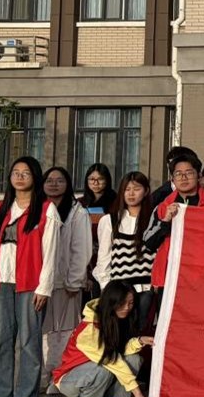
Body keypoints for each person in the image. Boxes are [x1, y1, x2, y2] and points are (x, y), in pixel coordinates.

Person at [0, 156, 61, 397]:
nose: (20, 176)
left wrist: (44, 287)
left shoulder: (46, 210)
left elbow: (51, 251)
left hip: (30, 284)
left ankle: (26, 396)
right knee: (1, 339)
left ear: (35, 177)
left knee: (29, 340)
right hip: (0, 282)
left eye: (26, 172)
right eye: (16, 172)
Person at [52, 280, 153, 397]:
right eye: (122, 303)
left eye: (130, 303)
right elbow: (110, 360)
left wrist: (139, 341)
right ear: (112, 302)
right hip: (70, 379)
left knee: (134, 359)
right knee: (104, 368)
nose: (127, 308)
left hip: (98, 370)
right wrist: (137, 393)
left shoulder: (118, 318)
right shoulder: (89, 329)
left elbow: (120, 350)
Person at [41, 166, 92, 380]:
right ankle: (42, 373)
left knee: (64, 331)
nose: (54, 184)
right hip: (40, 284)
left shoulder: (77, 212)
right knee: (42, 332)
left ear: (68, 184)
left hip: (66, 283)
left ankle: (60, 374)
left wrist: (74, 281)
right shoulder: (38, 209)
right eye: (49, 180)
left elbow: (81, 250)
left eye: (59, 180)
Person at [143, 153, 204, 274]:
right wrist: (165, 221)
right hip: (170, 274)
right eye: (178, 174)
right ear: (172, 179)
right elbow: (149, 243)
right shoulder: (162, 208)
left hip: (203, 273)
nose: (183, 178)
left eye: (189, 173)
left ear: (199, 176)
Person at [94, 171, 156, 329]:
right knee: (119, 332)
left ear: (146, 191)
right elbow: (104, 258)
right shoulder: (110, 220)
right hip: (120, 290)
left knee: (142, 331)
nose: (131, 194)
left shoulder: (154, 220)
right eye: (127, 189)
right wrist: (106, 288)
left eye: (136, 189)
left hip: (146, 288)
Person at [79, 162, 115, 300]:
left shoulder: (115, 202)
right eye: (92, 179)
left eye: (100, 179)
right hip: (86, 255)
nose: (95, 183)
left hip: (108, 255)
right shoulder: (80, 204)